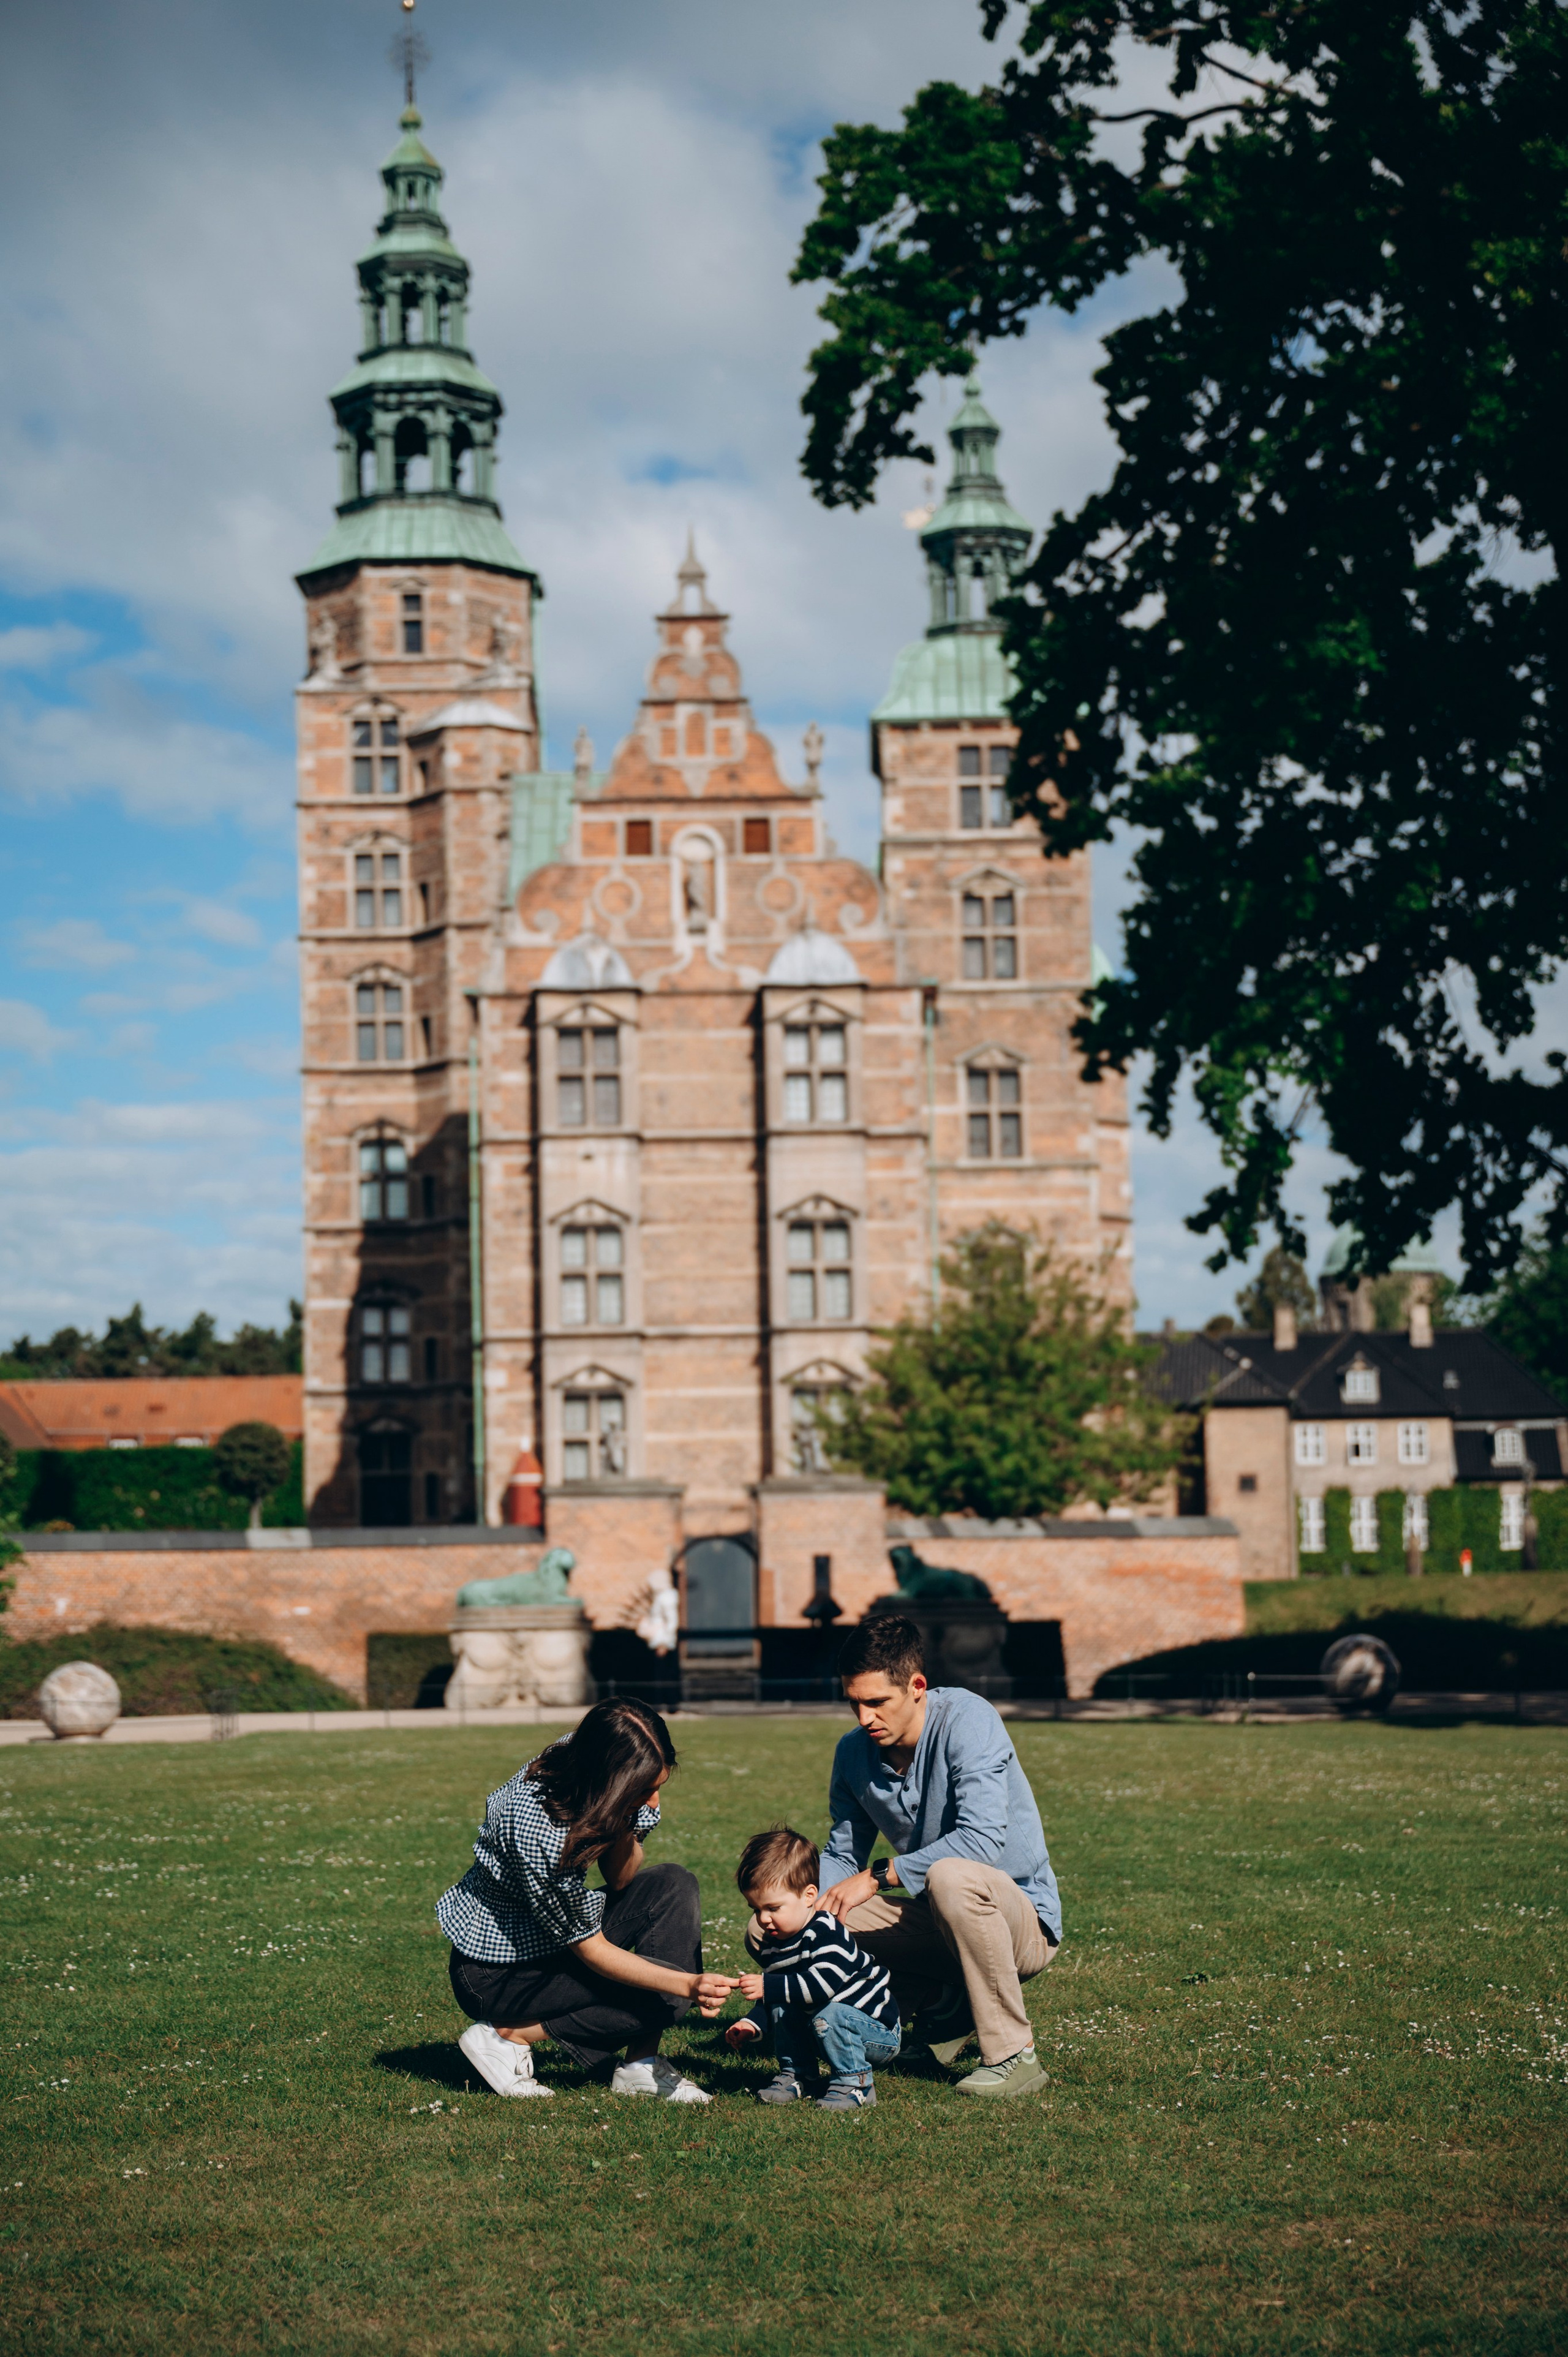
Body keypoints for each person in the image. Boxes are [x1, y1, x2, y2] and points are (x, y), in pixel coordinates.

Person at [439, 1696, 735, 2102]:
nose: (654, 1802)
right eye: (645, 1790)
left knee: (673, 1885)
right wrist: (688, 1983)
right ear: (612, 1780)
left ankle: (639, 2068)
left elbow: (621, 1877)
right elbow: (593, 1951)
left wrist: (621, 1819)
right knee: (667, 1992)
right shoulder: (537, 1828)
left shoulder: (592, 1762)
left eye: (658, 1787)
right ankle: (507, 2037)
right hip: (495, 1973)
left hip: (545, 1940)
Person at [813, 1613, 1061, 2099]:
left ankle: (1015, 2057)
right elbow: (842, 1856)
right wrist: (798, 1907)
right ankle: (934, 2006)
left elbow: (983, 1840)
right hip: (936, 1923)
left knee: (950, 1877)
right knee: (776, 1921)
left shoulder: (969, 1719)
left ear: (917, 1686)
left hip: (1021, 1924)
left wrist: (882, 1875)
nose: (865, 1719)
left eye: (878, 1702)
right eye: (855, 1704)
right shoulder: (852, 1753)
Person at [725, 1825, 900, 2111]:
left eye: (773, 1908)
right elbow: (777, 1993)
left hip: (876, 2031)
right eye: (756, 1909)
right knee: (784, 2005)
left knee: (832, 2012)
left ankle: (856, 2084)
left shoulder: (827, 1930)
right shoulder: (774, 1942)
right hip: (825, 2024)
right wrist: (752, 2023)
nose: (763, 1919)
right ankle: (798, 2074)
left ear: (808, 1896)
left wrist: (768, 1986)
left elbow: (823, 1985)